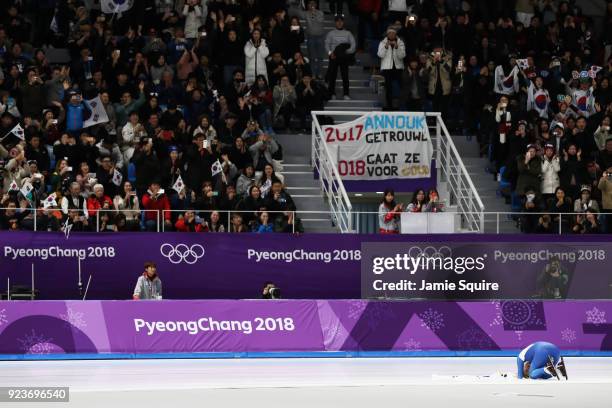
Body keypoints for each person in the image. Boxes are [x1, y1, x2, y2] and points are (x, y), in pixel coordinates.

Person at [325, 15, 356, 100]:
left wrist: (347, 52)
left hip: (344, 57)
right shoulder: (331, 33)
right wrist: (330, 53)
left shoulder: (348, 33)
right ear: (335, 23)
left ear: (343, 22)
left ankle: (346, 94)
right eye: (337, 21)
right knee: (332, 76)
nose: (339, 23)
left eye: (341, 21)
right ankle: (332, 93)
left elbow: (353, 45)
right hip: (333, 56)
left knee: (345, 76)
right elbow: (327, 44)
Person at [378, 28, 406, 110]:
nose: (391, 35)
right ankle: (389, 106)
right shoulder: (382, 43)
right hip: (387, 69)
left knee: (401, 87)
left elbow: (402, 56)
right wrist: (386, 47)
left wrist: (397, 47)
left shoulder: (400, 43)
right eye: (390, 33)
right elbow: (380, 55)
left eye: (393, 33)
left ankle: (400, 106)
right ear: (387, 34)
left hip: (398, 68)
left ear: (395, 34)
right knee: (388, 88)